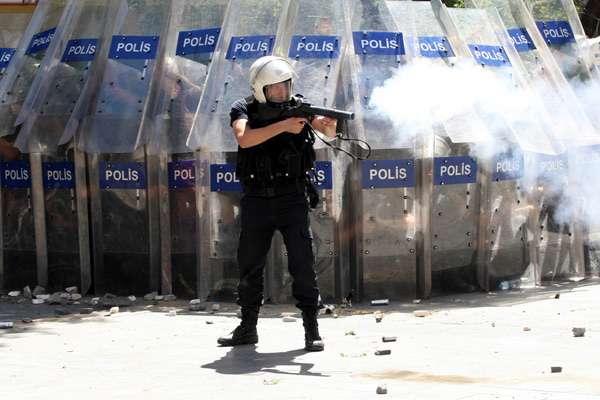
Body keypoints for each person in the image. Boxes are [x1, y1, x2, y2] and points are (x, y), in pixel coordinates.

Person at [217, 56, 337, 352]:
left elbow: (327, 130)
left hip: (291, 197)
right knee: (249, 266)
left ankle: (312, 328)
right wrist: (284, 126)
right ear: (261, 89)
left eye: (286, 86)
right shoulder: (243, 108)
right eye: (276, 89)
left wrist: (326, 124)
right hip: (257, 198)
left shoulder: (298, 107)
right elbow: (244, 139)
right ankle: (247, 328)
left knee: (302, 263)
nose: (283, 93)